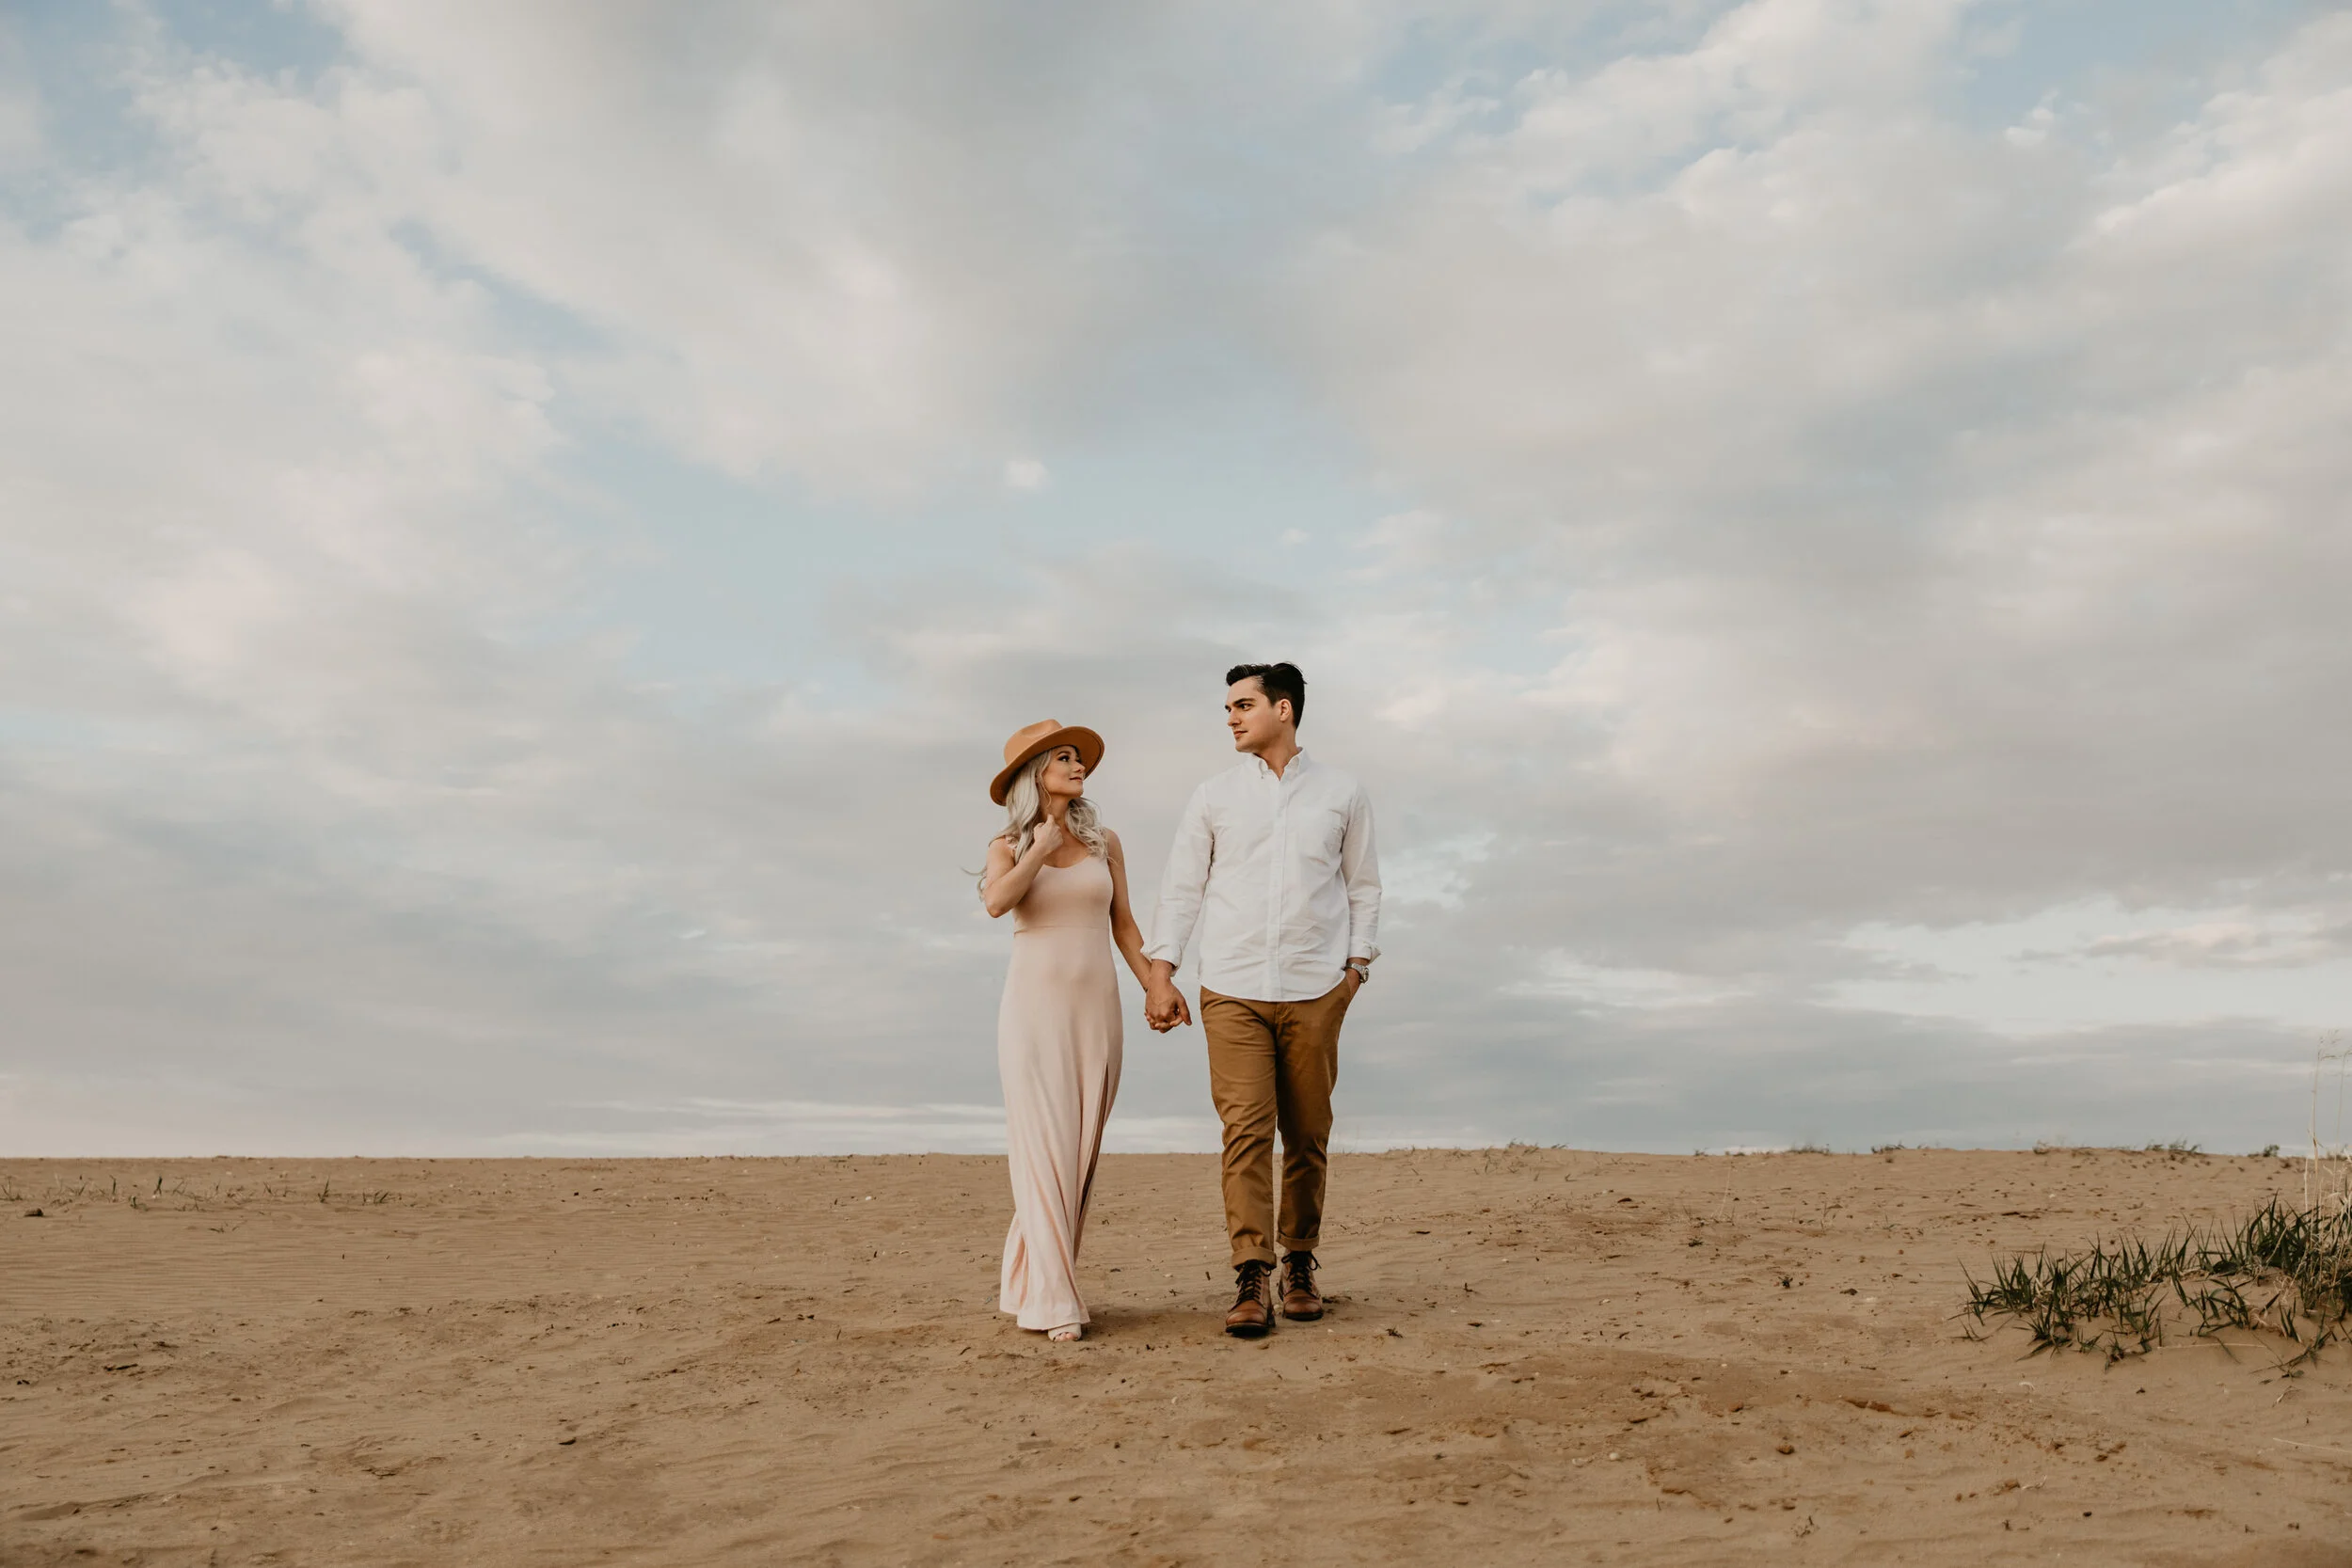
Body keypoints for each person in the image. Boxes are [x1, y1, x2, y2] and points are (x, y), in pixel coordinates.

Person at [1144, 663, 1381, 1337]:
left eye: (1243, 704)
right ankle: (1252, 1273)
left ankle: (1299, 1261)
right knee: (1245, 1130)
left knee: (1306, 1134)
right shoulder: (1213, 796)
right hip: (1232, 986)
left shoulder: (1343, 792)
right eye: (1227, 707)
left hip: (1315, 987)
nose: (1231, 717)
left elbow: (1363, 885)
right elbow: (1182, 887)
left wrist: (1355, 969)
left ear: (1284, 708)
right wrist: (1162, 973)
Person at [979, 720, 1156, 1344]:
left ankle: (1029, 1283)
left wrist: (1155, 985)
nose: (1077, 765)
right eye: (1063, 757)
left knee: (1076, 1153)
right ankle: (1053, 1300)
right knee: (1041, 1147)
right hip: (1032, 1012)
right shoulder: (1008, 843)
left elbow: (1126, 926)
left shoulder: (1106, 841)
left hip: (1096, 1009)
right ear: (1036, 774)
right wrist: (1039, 845)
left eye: (1079, 757)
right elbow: (998, 902)